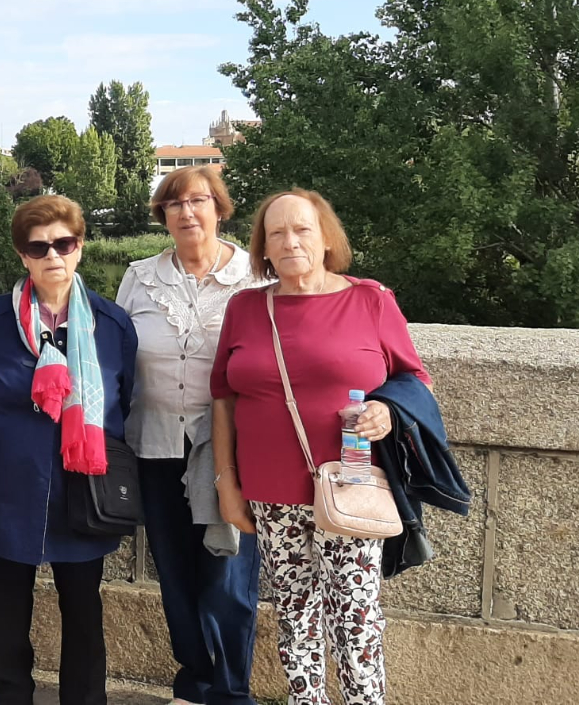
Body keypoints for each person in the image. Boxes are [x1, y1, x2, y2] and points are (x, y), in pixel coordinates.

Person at [211, 189, 431, 705]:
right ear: (263, 247)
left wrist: (387, 412)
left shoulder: (370, 299)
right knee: (295, 618)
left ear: (326, 237)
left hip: (351, 487)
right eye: (277, 233)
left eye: (302, 229)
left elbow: (415, 380)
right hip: (269, 493)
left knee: (355, 618)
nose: (290, 242)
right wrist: (226, 482)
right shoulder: (245, 307)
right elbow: (222, 396)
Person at [0, 195, 137, 705]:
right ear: (23, 256)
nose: (53, 255)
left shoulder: (111, 324)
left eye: (64, 243)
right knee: (7, 613)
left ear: (80, 247)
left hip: (83, 489)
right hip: (6, 487)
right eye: (39, 247)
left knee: (84, 611)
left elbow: (124, 399)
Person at [114, 165, 264, 705]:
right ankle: (195, 683)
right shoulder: (140, 277)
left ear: (219, 209)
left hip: (228, 452)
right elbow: (114, 355)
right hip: (155, 446)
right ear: (163, 216)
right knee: (175, 574)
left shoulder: (254, 277)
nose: (186, 212)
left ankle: (230, 691)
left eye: (198, 201)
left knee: (228, 575)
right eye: (174, 204)